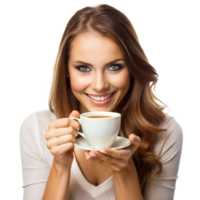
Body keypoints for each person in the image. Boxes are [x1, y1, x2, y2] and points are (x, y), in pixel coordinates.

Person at [18, 2, 184, 200]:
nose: (99, 85)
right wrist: (61, 166)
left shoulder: (165, 132)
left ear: (132, 68)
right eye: (83, 68)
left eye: (114, 67)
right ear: (66, 70)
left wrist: (124, 172)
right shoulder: (35, 128)